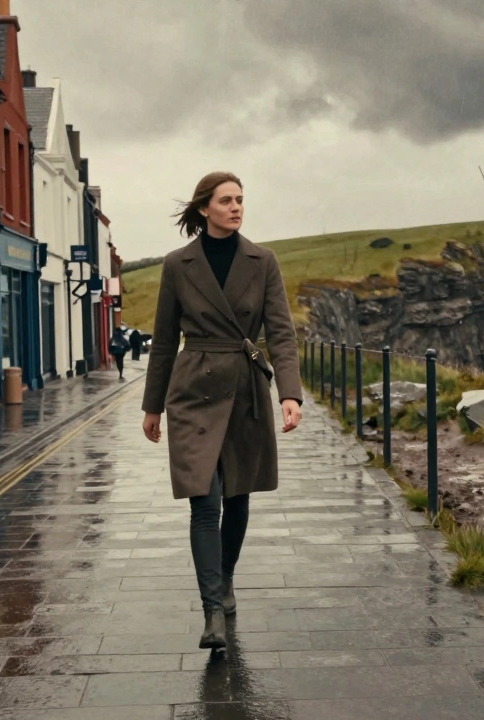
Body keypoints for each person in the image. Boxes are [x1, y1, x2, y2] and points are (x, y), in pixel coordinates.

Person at [140, 171, 303, 650]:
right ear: (204, 208)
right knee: (204, 500)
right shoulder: (178, 264)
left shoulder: (262, 261)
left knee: (238, 497)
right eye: (226, 200)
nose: (236, 208)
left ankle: (226, 576)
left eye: (240, 200)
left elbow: (281, 332)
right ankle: (212, 608)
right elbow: (164, 341)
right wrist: (152, 406)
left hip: (246, 389)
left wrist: (289, 394)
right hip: (193, 390)